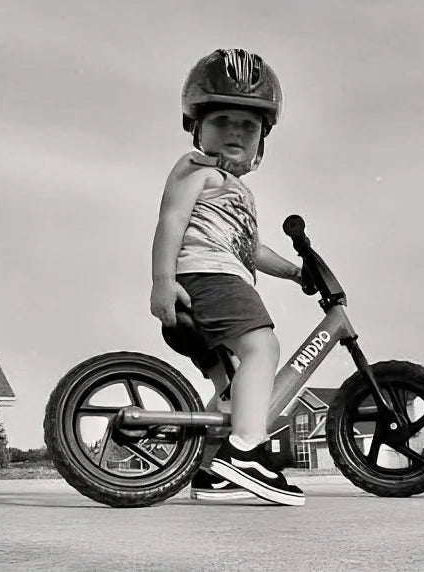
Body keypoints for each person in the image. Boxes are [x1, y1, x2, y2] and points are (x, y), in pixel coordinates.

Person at [150, 48, 305, 506]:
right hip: (207, 279)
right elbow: (171, 221)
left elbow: (250, 250)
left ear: (262, 139)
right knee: (263, 346)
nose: (236, 131)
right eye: (223, 121)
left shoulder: (236, 189)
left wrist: (297, 272)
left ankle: (215, 473)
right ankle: (246, 454)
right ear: (198, 127)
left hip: (219, 280)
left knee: (236, 385)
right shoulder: (196, 167)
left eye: (249, 125)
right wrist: (161, 280)